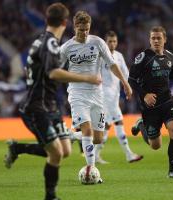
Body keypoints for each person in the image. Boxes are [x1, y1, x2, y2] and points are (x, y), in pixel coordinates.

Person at [4, 3, 101, 200]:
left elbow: (34, 69)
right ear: (66, 23)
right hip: (37, 106)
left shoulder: (39, 42)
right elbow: (53, 72)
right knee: (56, 153)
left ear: (47, 20)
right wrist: (86, 78)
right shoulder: (50, 43)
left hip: (50, 105)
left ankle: (18, 147)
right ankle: (51, 196)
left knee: (65, 150)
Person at [60, 11, 132, 180]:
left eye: (87, 29)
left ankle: (71, 135)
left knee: (98, 139)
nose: (84, 33)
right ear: (75, 26)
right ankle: (90, 169)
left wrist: (125, 83)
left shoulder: (98, 42)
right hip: (77, 94)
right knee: (86, 130)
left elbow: (112, 64)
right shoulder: (66, 47)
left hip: (97, 95)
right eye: (81, 29)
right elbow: (55, 69)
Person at [128, 26, 173, 178]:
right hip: (150, 106)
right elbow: (131, 80)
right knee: (155, 145)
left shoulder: (170, 55)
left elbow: (171, 74)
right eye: (153, 38)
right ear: (150, 40)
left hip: (167, 100)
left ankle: (172, 171)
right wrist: (144, 95)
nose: (156, 41)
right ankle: (141, 125)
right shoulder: (143, 57)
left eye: (159, 38)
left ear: (165, 39)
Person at [95, 30, 143, 164]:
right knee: (118, 121)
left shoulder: (119, 56)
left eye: (114, 41)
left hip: (114, 95)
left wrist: (130, 85)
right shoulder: (100, 56)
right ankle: (129, 154)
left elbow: (126, 74)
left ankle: (95, 155)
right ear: (105, 42)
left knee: (106, 126)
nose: (112, 44)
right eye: (109, 41)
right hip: (104, 94)